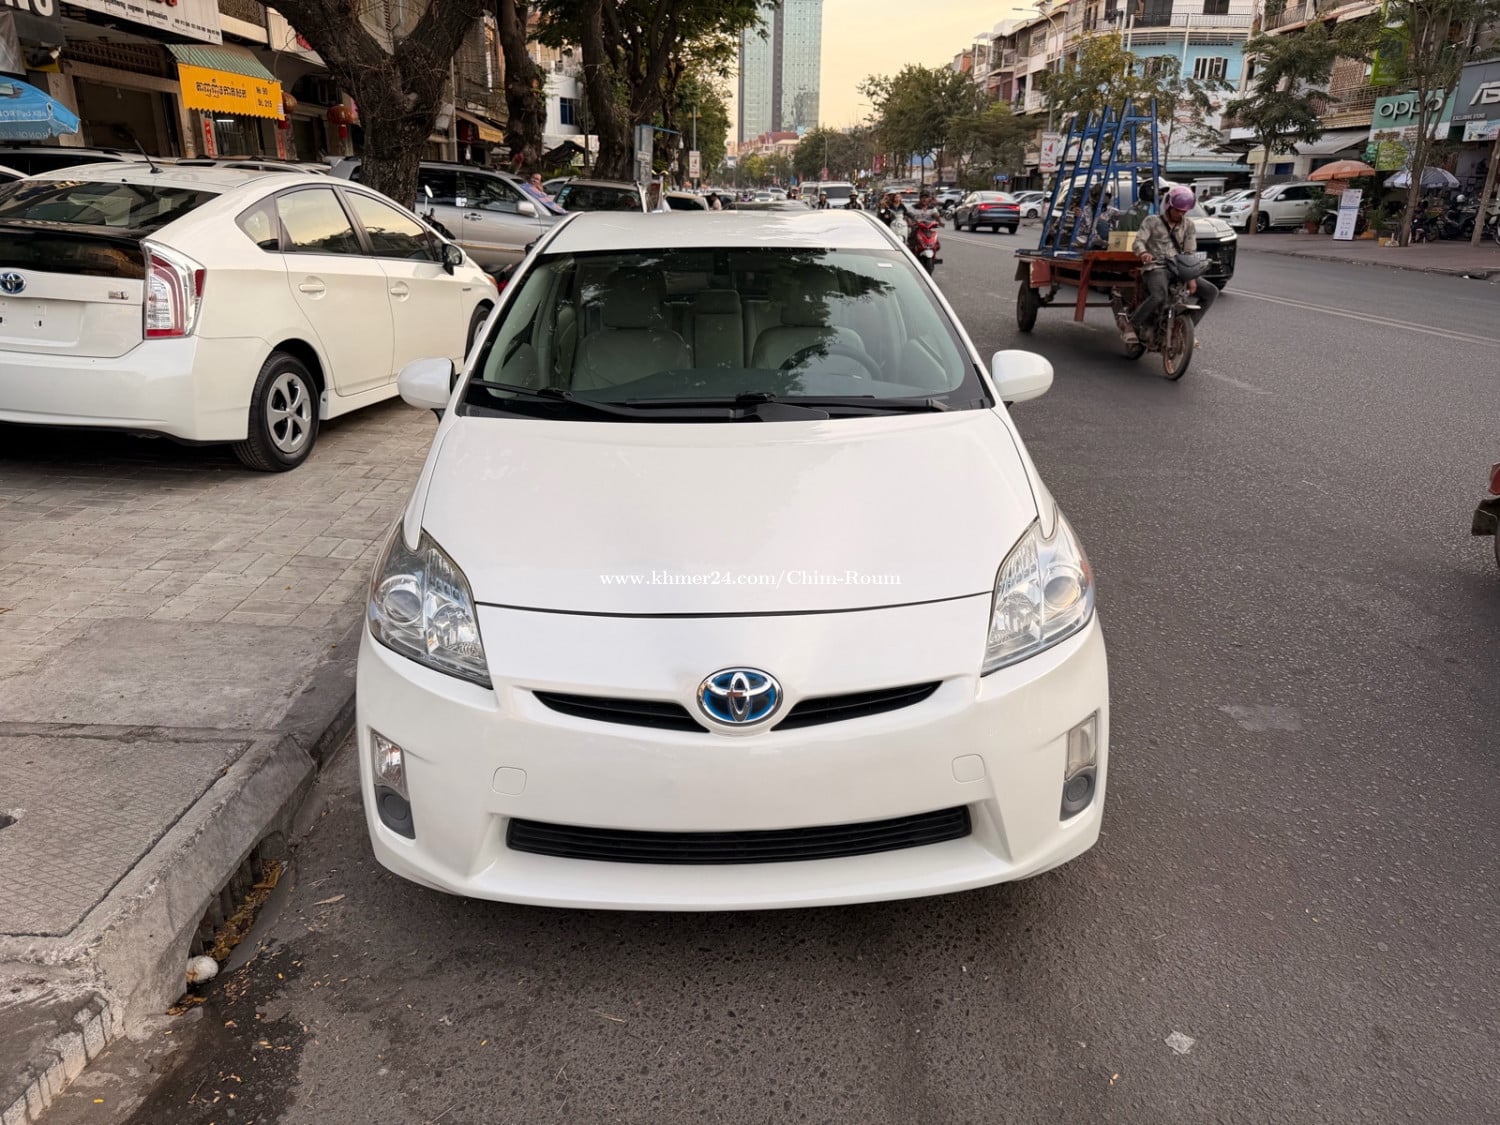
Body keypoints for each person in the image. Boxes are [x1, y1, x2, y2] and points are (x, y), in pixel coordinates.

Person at [1125, 185, 1216, 347]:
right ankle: (1132, 325)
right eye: (1178, 210)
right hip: (1156, 267)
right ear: (1168, 206)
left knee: (1211, 292)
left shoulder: (1189, 225)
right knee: (1159, 296)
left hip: (1179, 268)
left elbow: (1189, 252)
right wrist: (1144, 253)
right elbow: (1138, 242)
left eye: (1184, 211)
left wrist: (1192, 277)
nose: (1181, 214)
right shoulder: (1152, 221)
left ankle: (1184, 330)